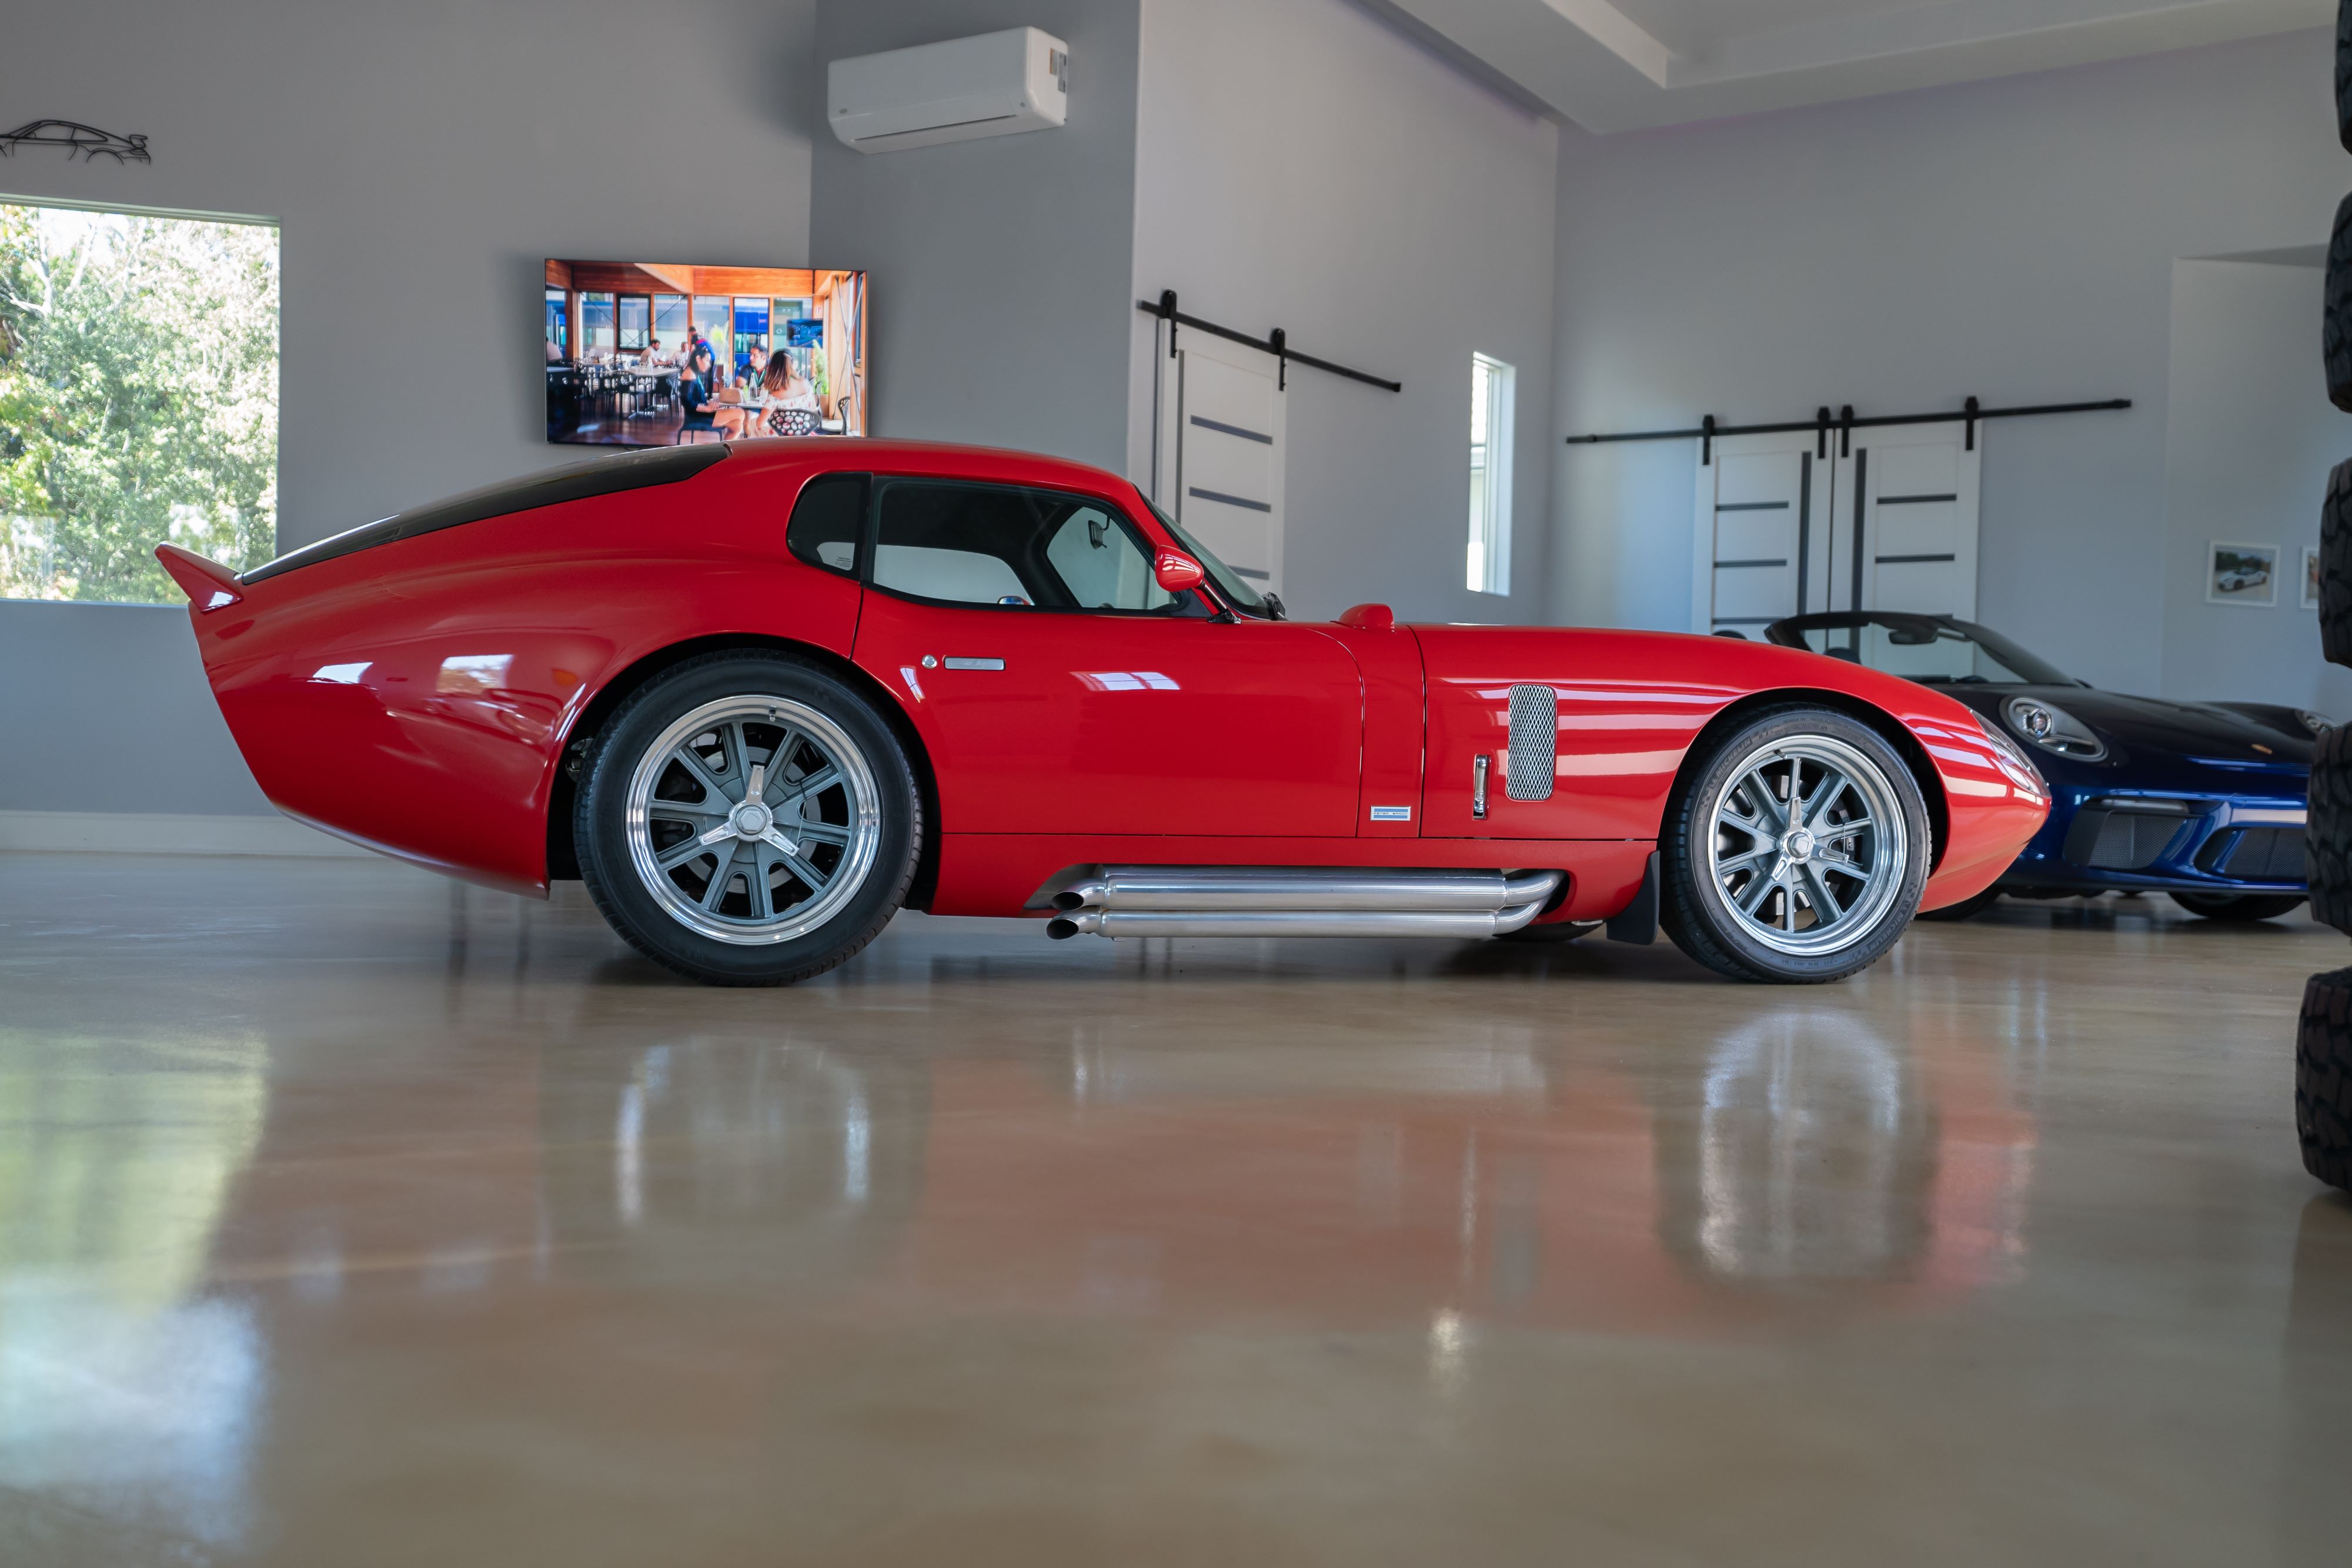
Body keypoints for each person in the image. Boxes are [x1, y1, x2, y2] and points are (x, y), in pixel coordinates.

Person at [760, 349, 824, 437]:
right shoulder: (807, 384)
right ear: (792, 364)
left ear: (773, 368)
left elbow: (760, 423)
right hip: (804, 434)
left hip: (780, 437)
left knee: (753, 424)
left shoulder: (775, 395)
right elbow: (813, 410)